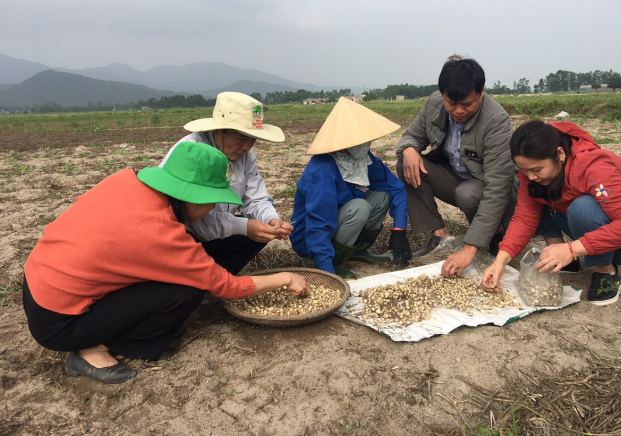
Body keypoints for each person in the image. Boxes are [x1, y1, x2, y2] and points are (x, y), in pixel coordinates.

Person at [23, 142, 309, 384]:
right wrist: (286, 278)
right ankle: (91, 350)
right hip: (58, 322)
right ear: (194, 198)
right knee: (187, 289)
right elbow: (226, 285)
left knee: (165, 285)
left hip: (36, 281)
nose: (213, 209)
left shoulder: (126, 179)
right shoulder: (162, 232)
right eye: (212, 201)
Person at [481, 120, 621, 306]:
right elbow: (524, 218)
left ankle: (605, 270)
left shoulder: (593, 167)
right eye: (524, 170)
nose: (530, 176)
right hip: (603, 229)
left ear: (559, 154)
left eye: (536, 169)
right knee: (539, 195)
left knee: (582, 208)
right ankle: (563, 260)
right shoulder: (533, 176)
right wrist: (501, 261)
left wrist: (571, 249)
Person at [396, 56, 517, 277]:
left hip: (483, 187)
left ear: (481, 92)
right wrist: (409, 149)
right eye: (452, 103)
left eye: (467, 104)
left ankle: (495, 235)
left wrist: (470, 247)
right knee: (407, 162)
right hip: (453, 176)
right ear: (442, 94)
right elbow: (411, 136)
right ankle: (440, 236)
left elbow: (498, 186)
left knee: (468, 193)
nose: (459, 111)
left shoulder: (495, 120)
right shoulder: (433, 104)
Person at [162, 92, 292, 275]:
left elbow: (255, 198)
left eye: (252, 139)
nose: (247, 147)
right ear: (217, 130)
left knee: (263, 232)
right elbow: (194, 218)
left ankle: (218, 277)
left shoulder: (246, 157)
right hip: (185, 234)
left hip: (217, 229)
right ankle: (197, 279)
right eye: (241, 138)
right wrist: (244, 227)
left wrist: (271, 219)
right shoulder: (193, 152)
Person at [290, 97, 412, 280]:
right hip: (311, 237)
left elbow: (396, 188)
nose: (366, 144)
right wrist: (326, 271)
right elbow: (318, 223)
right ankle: (335, 261)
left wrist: (399, 231)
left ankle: (355, 251)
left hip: (342, 221)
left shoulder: (364, 160)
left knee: (382, 196)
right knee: (359, 207)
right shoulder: (322, 169)